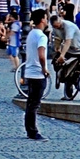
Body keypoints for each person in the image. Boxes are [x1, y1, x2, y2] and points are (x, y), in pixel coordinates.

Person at [21, 9, 50, 141]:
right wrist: (44, 68)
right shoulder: (42, 36)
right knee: (35, 104)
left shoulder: (31, 33)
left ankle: (29, 129)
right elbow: (41, 55)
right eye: (46, 17)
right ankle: (33, 131)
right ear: (42, 19)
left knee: (30, 103)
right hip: (38, 72)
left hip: (29, 71)